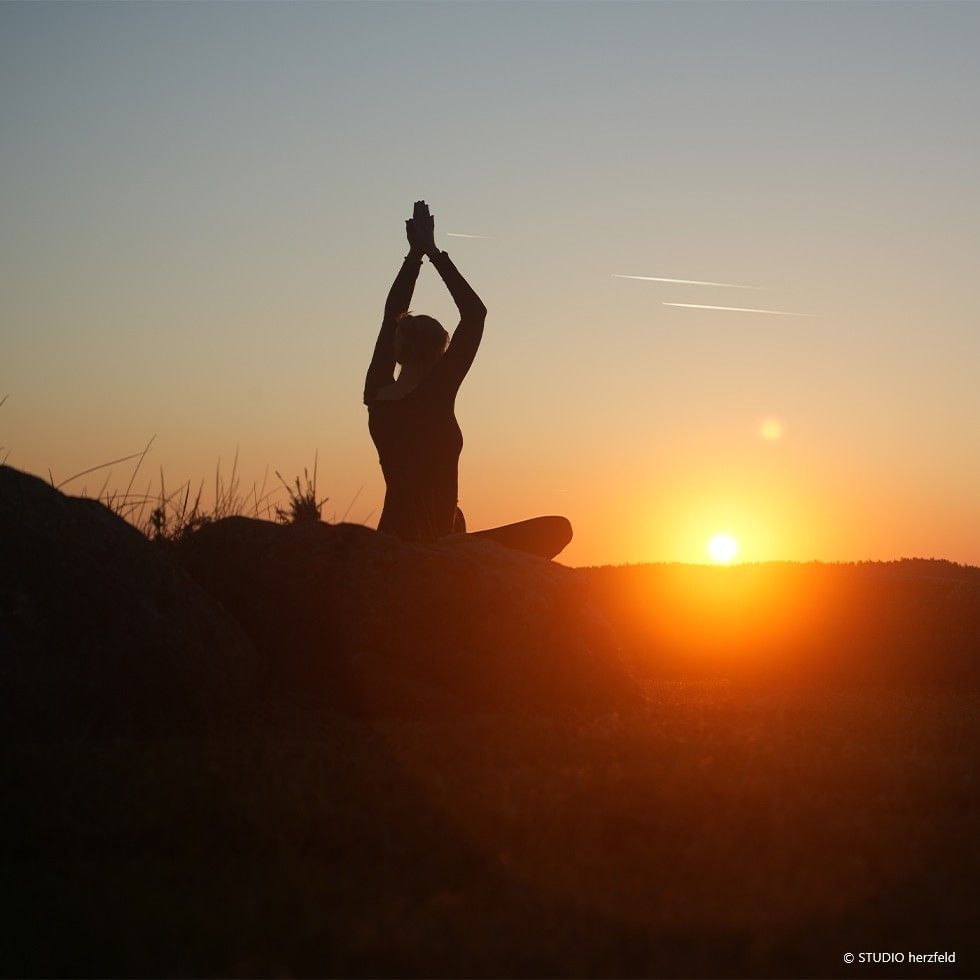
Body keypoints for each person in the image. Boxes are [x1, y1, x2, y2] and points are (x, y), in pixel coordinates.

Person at [364, 201, 572, 560]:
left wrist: (414, 256)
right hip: (438, 546)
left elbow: (390, 316)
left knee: (460, 518)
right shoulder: (435, 392)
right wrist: (431, 251)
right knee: (558, 529)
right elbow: (474, 315)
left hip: (392, 541)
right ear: (438, 356)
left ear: (399, 350)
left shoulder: (376, 394)